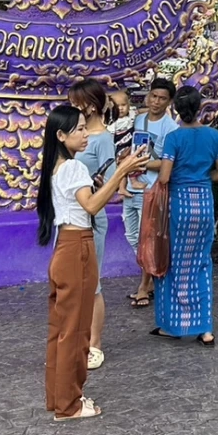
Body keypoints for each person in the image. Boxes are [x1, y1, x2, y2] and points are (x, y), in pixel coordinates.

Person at [36, 104, 147, 421]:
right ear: (61, 135)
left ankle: (61, 398)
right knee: (75, 331)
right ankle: (68, 405)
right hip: (77, 248)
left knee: (62, 329)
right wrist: (122, 172)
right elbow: (93, 205)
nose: (86, 133)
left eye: (86, 127)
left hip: (66, 247)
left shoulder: (58, 167)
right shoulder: (73, 168)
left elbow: (85, 204)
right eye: (79, 129)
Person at [150, 85, 218, 345]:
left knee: (173, 265)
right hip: (204, 204)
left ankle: (173, 325)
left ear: (175, 109)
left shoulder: (174, 138)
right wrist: (202, 179)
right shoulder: (213, 136)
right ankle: (206, 329)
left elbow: (164, 176)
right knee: (201, 263)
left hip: (180, 207)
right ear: (200, 109)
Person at [68, 79, 120, 372]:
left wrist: (94, 183)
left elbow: (111, 181)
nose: (72, 107)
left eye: (76, 102)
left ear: (91, 105)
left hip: (91, 217)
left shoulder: (101, 139)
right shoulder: (78, 136)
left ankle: (95, 344)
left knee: (93, 284)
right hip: (70, 217)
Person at [124, 78, 178, 307]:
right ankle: (154, 277)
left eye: (162, 98)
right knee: (133, 235)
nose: (156, 101)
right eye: (153, 96)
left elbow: (168, 161)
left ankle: (143, 286)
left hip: (153, 189)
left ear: (169, 102)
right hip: (132, 185)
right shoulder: (138, 120)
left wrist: (140, 164)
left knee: (148, 237)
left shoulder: (171, 128)